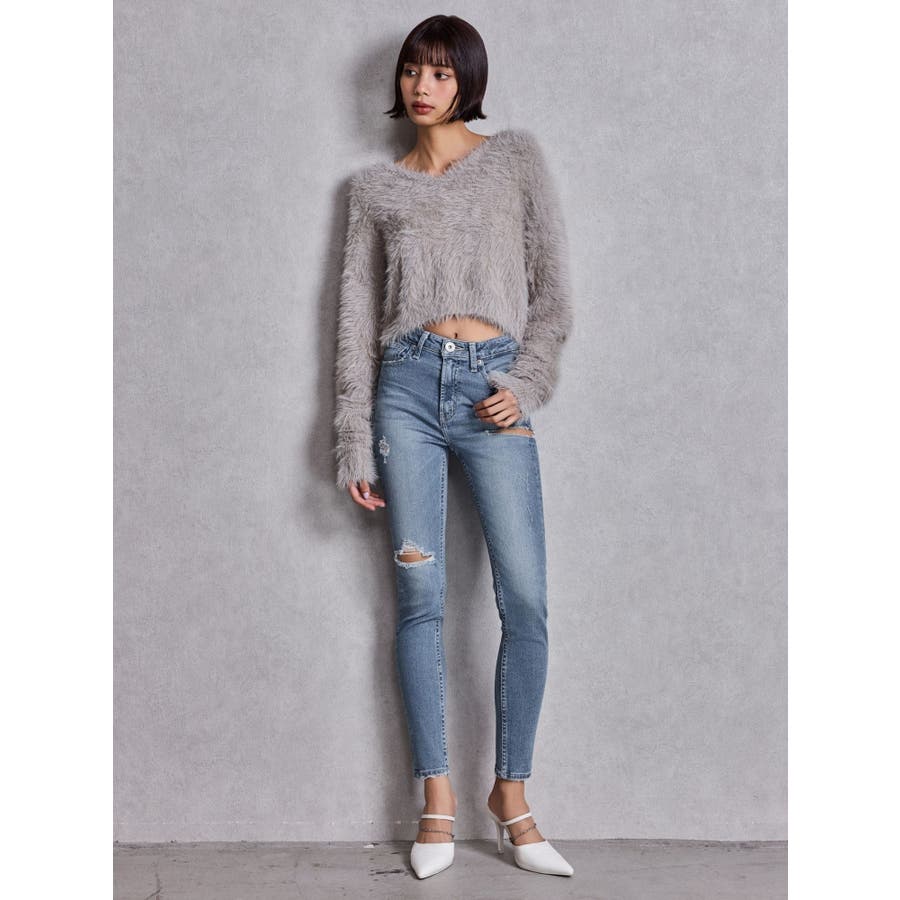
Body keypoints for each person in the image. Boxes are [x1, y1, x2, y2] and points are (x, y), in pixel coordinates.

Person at [332, 14, 575, 880]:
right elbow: (354, 320)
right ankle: (436, 800)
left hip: (492, 393)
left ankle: (512, 795)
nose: (423, 86)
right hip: (405, 394)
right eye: (412, 71)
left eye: (440, 73)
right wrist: (354, 438)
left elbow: (553, 295)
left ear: (467, 80)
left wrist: (528, 381)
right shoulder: (374, 192)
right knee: (420, 599)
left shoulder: (515, 161)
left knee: (527, 601)